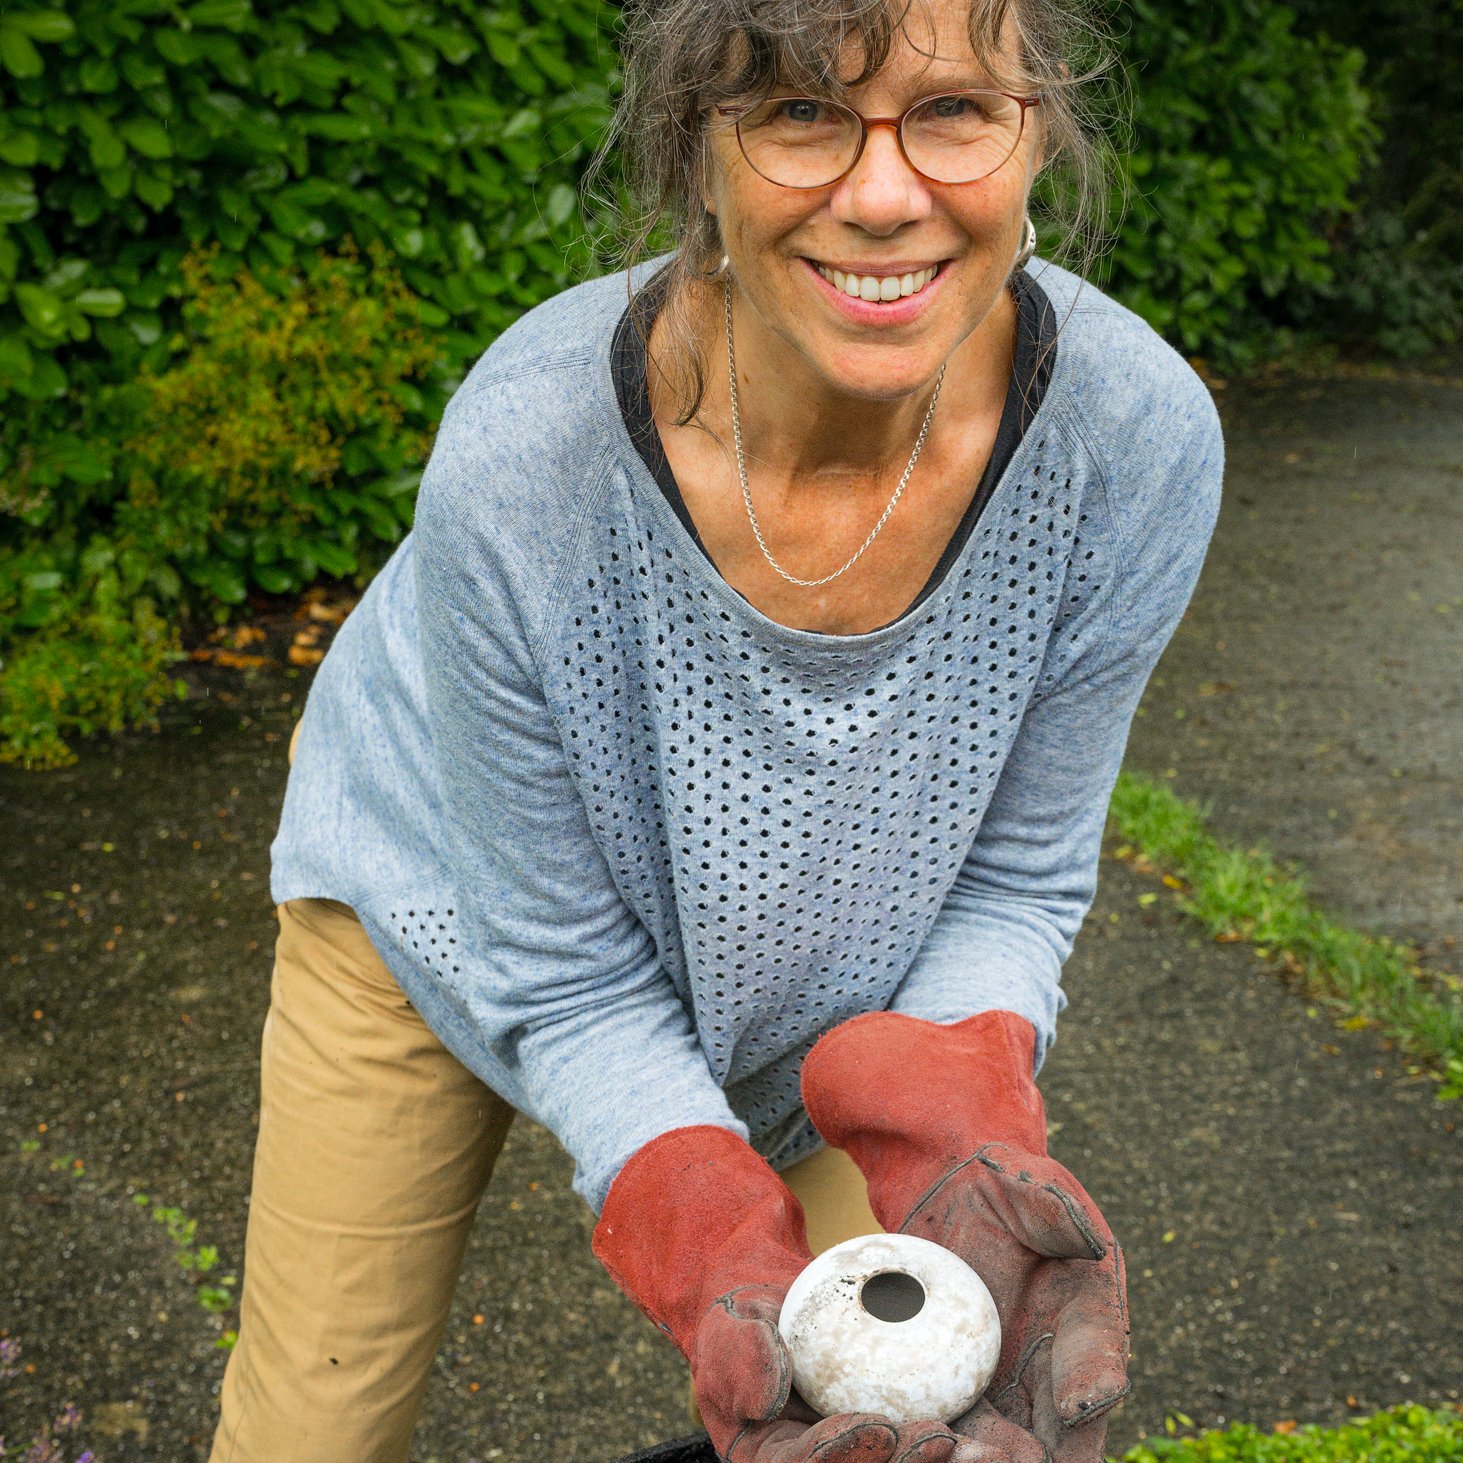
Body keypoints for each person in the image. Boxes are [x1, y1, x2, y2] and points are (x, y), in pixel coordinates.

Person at [208, 0, 1223, 1458]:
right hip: (438, 905)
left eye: (953, 112)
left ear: (1038, 134)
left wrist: (951, 1119)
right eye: (802, 112)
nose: (885, 197)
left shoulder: (1133, 440)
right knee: (316, 1422)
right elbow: (559, 976)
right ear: (698, 152)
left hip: (817, 961)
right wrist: (691, 1209)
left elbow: (1014, 878)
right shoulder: (526, 454)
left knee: (892, 1401)